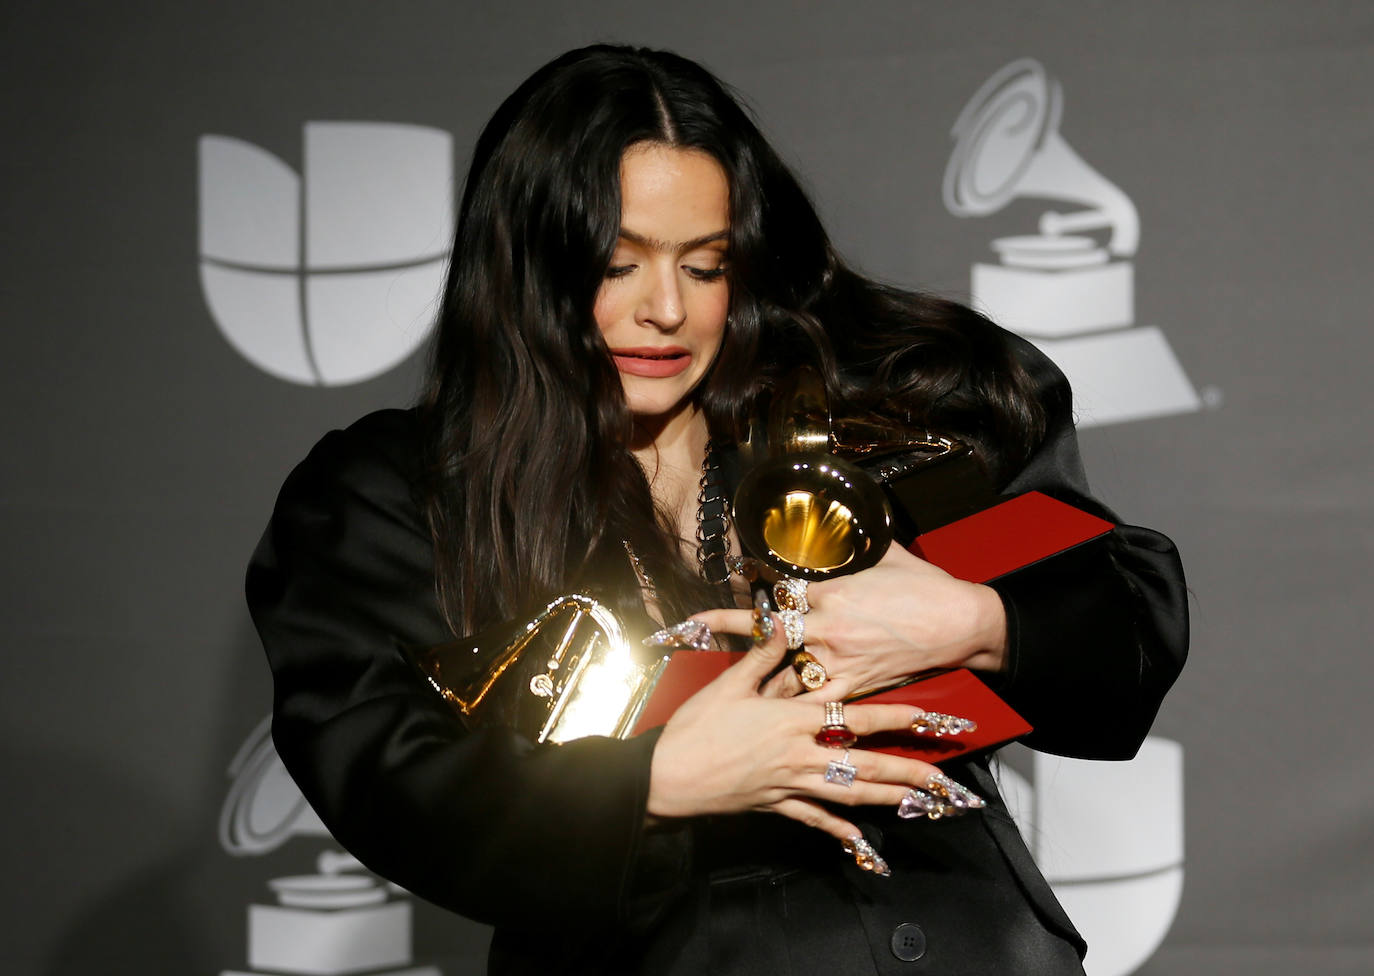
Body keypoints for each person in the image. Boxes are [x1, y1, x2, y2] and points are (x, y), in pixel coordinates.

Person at [247, 44, 1188, 975]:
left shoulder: (896, 410)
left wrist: (973, 621)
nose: (666, 309)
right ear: (525, 266)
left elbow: (1124, 614)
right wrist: (656, 783)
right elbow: (387, 774)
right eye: (617, 265)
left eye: (705, 266)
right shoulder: (403, 495)